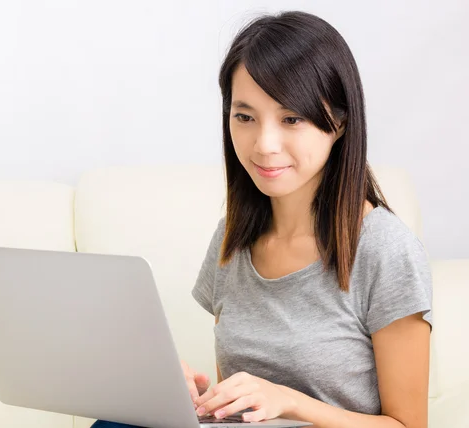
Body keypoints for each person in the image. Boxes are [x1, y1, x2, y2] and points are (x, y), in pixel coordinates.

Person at [92, 10, 432, 428]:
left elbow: (409, 425)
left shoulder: (385, 249)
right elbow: (245, 408)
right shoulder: (231, 240)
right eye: (245, 117)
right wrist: (194, 397)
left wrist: (290, 402)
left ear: (339, 122)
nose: (265, 145)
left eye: (292, 118)